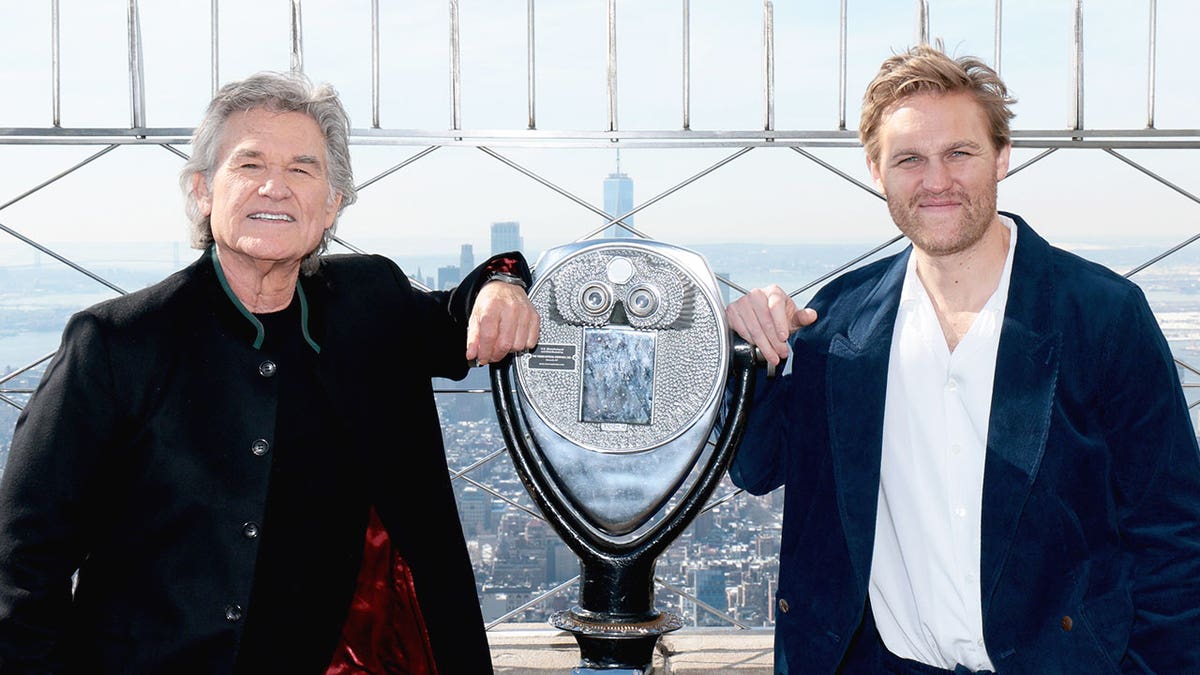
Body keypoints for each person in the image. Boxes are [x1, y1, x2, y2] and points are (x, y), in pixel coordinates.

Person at [0, 72, 539, 673]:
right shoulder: (116, 344)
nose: (276, 188)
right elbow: (23, 562)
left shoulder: (371, 299)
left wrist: (503, 284)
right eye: (249, 165)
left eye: (303, 170)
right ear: (204, 192)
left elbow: (459, 316)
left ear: (332, 204)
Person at [726, 44, 1200, 674]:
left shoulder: (1101, 315)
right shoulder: (840, 322)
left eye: (959, 153)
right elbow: (756, 467)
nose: (937, 181)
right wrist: (750, 344)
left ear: (1002, 157)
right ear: (876, 170)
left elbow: (1171, 535)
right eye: (910, 160)